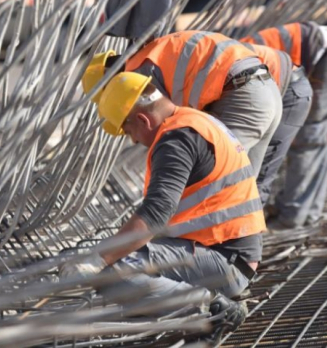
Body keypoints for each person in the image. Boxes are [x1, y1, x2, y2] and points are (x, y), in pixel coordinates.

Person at [61, 72, 266, 344]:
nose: (132, 140)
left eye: (128, 130)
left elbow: (155, 214)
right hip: (229, 254)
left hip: (224, 262)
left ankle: (211, 310)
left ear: (143, 120)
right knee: (120, 265)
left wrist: (97, 259)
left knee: (114, 272)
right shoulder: (194, 120)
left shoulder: (176, 140)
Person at [83, 30, 282, 176]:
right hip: (264, 89)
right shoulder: (156, 52)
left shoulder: (140, 77)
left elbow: (167, 126)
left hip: (242, 98)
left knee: (212, 177)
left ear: (109, 83)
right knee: (244, 187)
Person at [241, 21, 327, 228]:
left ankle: (292, 217)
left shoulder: (241, 62)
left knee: (309, 140)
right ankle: (306, 213)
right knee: (317, 141)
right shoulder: (235, 56)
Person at [241, 43, 313, 206]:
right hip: (273, 86)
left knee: (261, 171)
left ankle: (250, 229)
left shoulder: (228, 55)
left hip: (291, 93)